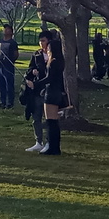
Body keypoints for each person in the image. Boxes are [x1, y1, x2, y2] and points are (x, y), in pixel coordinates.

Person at [40, 28, 68, 156]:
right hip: (56, 92)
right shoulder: (60, 62)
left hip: (51, 93)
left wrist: (35, 84)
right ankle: (54, 146)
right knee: (54, 121)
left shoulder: (53, 62)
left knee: (50, 121)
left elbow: (49, 79)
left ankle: (52, 147)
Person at [22, 36, 49, 151]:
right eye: (40, 41)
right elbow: (29, 69)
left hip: (48, 90)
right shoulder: (36, 54)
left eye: (43, 40)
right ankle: (38, 141)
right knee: (36, 116)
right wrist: (32, 71)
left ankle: (49, 141)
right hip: (37, 90)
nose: (41, 43)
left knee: (49, 118)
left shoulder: (54, 56)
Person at [0, 24, 18, 109]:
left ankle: (10, 102)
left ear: (11, 32)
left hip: (8, 66)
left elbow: (16, 54)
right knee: (0, 83)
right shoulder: (0, 41)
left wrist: (11, 61)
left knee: (9, 84)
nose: (5, 31)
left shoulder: (13, 43)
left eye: (7, 29)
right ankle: (2, 101)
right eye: (4, 29)